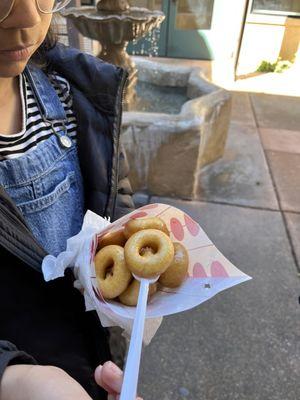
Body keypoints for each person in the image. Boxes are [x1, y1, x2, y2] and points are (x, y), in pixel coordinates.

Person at [0, 0, 136, 399]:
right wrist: (10, 377)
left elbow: (112, 191)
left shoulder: (69, 91)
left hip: (92, 355)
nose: (27, 17)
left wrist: (127, 245)